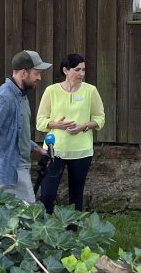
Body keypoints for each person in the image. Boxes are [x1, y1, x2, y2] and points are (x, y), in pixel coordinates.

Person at [0, 50, 52, 203]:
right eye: (36, 73)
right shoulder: (5, 98)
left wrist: (35, 147)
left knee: (21, 220)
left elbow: (14, 130)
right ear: (23, 73)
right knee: (19, 220)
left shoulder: (20, 95)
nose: (39, 78)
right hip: (8, 170)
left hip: (19, 167)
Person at [36, 54, 105, 213]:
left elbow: (100, 118)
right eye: (77, 69)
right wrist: (57, 125)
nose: (81, 73)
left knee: (76, 197)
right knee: (47, 195)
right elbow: (40, 122)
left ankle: (72, 234)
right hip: (54, 151)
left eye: (83, 70)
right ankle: (47, 230)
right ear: (65, 71)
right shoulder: (51, 91)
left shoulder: (91, 91)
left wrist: (84, 126)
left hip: (81, 152)